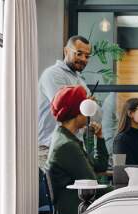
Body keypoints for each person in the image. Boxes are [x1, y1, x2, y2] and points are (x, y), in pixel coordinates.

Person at [46, 85, 109, 214]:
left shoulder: (66, 137)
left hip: (79, 203)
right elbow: (91, 183)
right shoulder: (67, 145)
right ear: (78, 110)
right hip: (76, 208)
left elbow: (100, 166)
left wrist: (99, 137)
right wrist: (122, 192)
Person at [38, 35, 91, 171]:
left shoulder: (79, 80)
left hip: (72, 146)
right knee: (54, 192)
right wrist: (87, 104)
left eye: (87, 56)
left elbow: (93, 113)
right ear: (66, 51)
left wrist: (87, 105)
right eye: (79, 54)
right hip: (50, 148)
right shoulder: (53, 74)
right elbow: (65, 108)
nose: (84, 59)